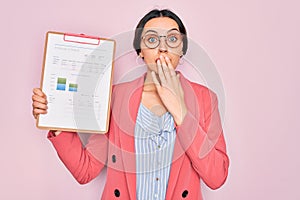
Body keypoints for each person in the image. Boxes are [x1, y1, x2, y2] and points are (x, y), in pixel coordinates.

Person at [32, 9, 229, 200]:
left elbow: (217, 176)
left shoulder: (205, 98)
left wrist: (180, 112)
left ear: (182, 50)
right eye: (152, 39)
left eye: (172, 39)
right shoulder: (116, 96)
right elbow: (86, 170)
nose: (162, 47)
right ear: (140, 52)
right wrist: (57, 122)